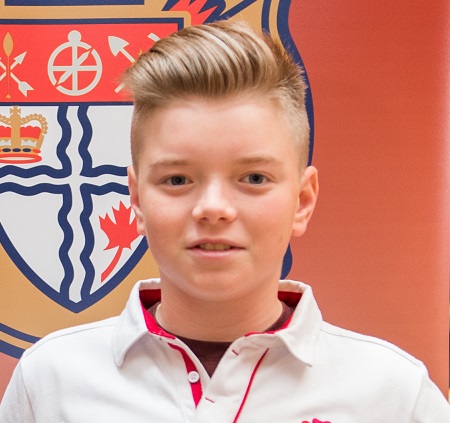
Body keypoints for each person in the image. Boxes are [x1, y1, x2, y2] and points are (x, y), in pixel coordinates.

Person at [0, 20, 449, 422]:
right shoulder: (50, 381)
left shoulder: (394, 395)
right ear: (136, 200)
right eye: (177, 179)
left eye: (253, 178)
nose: (213, 208)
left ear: (302, 200)